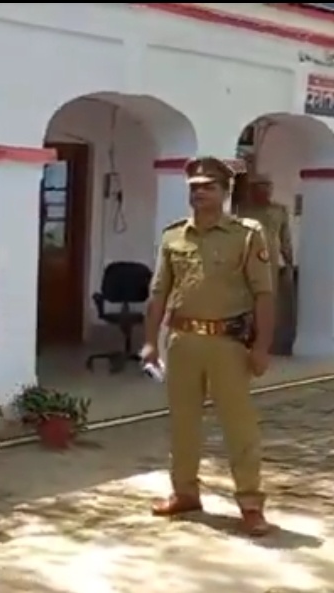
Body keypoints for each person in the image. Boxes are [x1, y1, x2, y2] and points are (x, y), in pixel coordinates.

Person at [141, 156, 274, 536]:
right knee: (183, 423)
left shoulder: (246, 234)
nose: (199, 193)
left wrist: (262, 346)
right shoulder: (174, 236)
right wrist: (150, 342)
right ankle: (184, 492)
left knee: (238, 426)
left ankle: (250, 503)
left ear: (225, 192)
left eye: (208, 187)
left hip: (227, 342)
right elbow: (158, 293)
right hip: (182, 341)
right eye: (194, 187)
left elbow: (264, 294)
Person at [236, 173, 296, 354]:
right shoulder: (242, 211)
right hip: (246, 262)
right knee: (246, 301)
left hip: (270, 264)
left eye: (267, 187)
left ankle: (267, 342)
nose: (263, 191)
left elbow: (285, 239)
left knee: (269, 301)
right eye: (259, 187)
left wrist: (289, 263)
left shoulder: (279, 211)